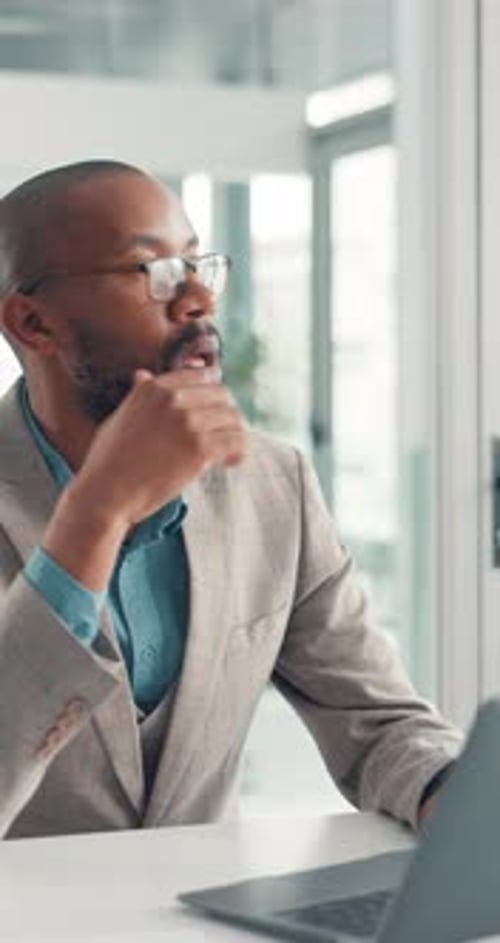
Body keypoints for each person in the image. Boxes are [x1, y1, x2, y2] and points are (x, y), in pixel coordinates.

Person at [0, 160, 460, 840]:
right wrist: (93, 518)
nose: (198, 301)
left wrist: (456, 795)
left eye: (196, 263)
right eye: (151, 272)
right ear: (33, 322)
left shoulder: (273, 486)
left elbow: (381, 726)